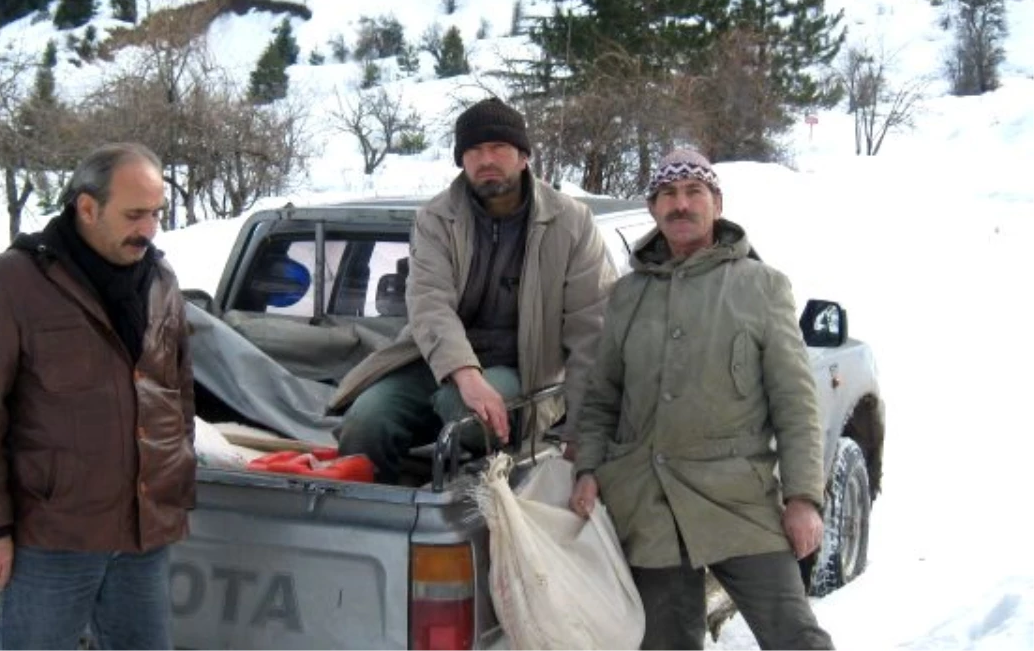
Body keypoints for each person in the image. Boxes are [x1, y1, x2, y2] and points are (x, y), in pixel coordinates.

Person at [569, 149, 834, 650]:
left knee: (797, 638)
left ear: (716, 203)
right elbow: (603, 397)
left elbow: (795, 404)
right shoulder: (627, 295)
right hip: (648, 505)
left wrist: (802, 498)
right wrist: (588, 468)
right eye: (668, 194)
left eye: (693, 192)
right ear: (653, 209)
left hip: (739, 499)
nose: (681, 204)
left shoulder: (762, 287)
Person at [0, 142, 195, 650]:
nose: (149, 229)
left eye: (156, 214)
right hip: (53, 537)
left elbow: (177, 394)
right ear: (86, 207)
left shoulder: (161, 280)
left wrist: (172, 487)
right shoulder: (13, 282)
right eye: (134, 215)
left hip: (142, 537)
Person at [331, 97, 616, 483]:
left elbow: (592, 332)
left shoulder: (571, 223)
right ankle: (372, 518)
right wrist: (465, 373)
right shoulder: (436, 219)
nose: (486, 160)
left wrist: (581, 434)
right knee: (366, 420)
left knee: (463, 413)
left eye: (498, 147)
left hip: (525, 368)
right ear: (461, 160)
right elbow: (429, 303)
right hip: (439, 362)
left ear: (523, 156)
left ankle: (469, 500)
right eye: (474, 150)